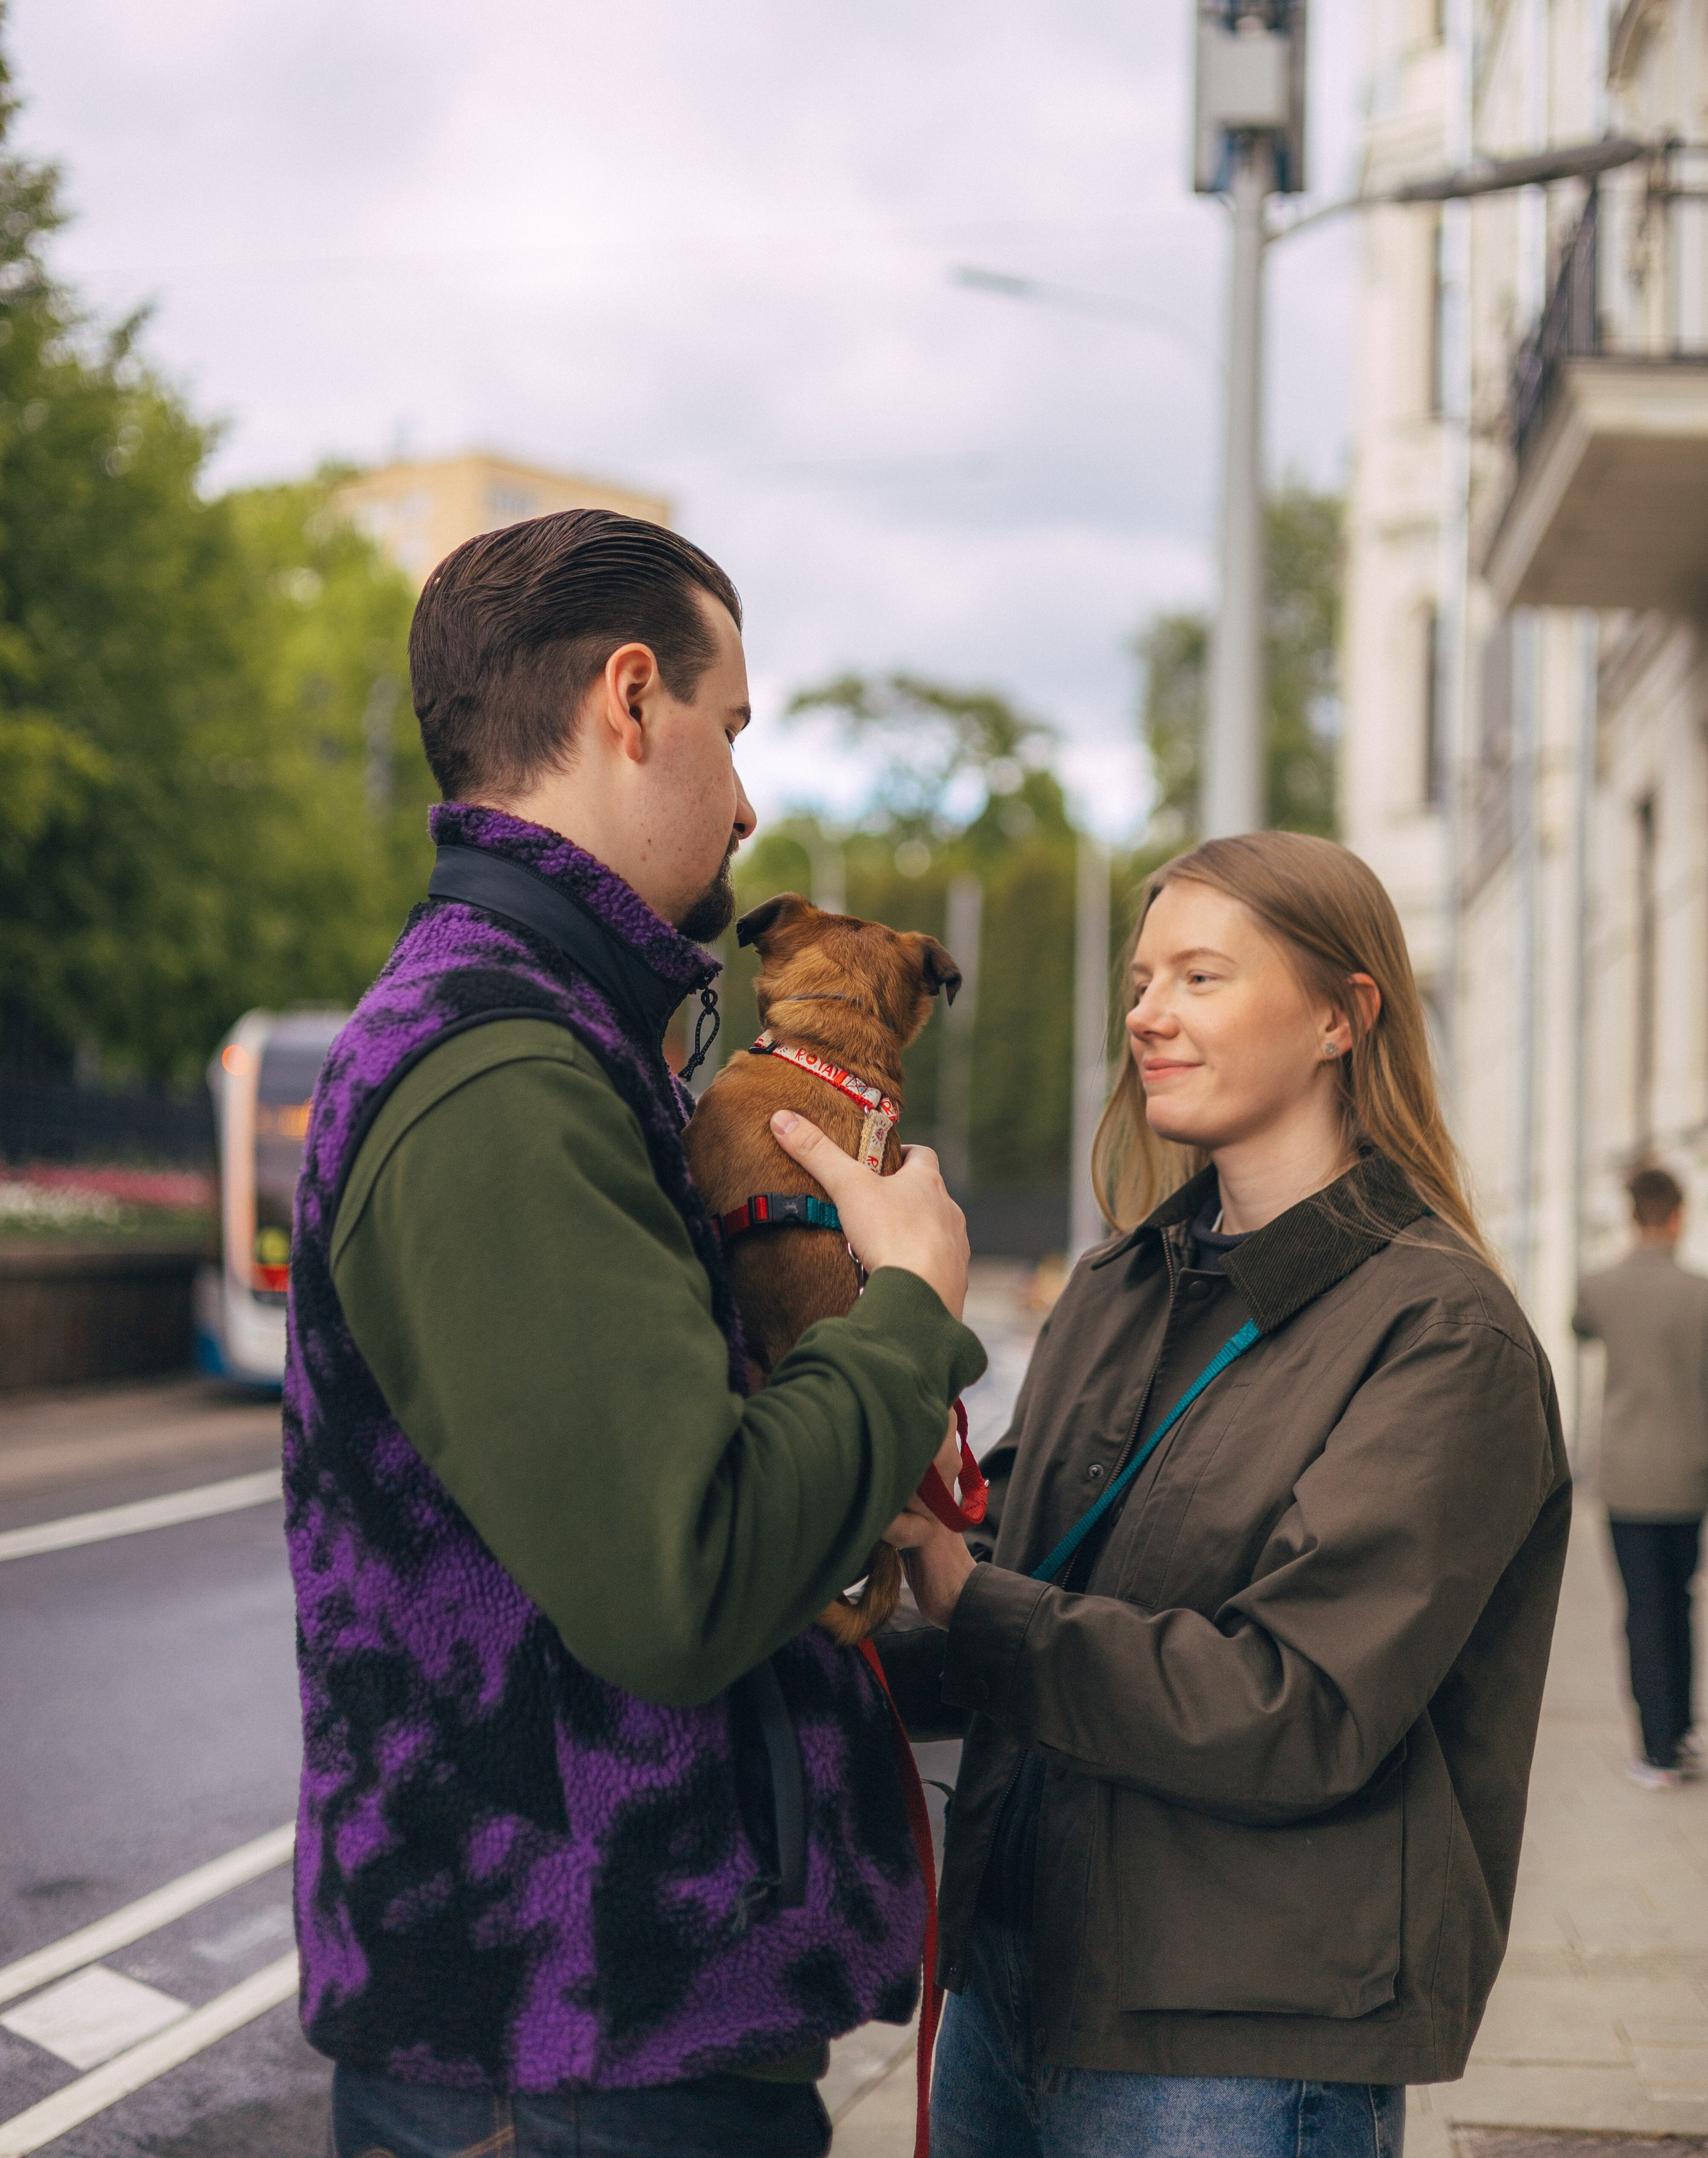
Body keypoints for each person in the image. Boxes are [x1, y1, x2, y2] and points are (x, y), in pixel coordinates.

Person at [284, 508, 983, 2158]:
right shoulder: (500, 1069)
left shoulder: (559, 1031)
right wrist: (906, 1306)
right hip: (570, 2050)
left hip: (593, 2033)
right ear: (625, 700)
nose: (746, 800)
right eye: (729, 729)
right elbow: (686, 1573)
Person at [866, 831, 1571, 2158]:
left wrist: (969, 1598)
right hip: (1009, 1991)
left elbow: (1292, 1709)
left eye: (1197, 977)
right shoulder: (1117, 1285)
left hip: (1239, 2045)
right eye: (1140, 981)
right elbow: (992, 1569)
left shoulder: (1439, 1336)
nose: (1145, 1015)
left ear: (1337, 1017)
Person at [1574, 1162, 1708, 1788]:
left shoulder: (1599, 1285)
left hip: (1628, 1478)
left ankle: (1654, 1750)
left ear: (1632, 1217)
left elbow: (1580, 1331)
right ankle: (1681, 1732)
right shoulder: (1700, 1294)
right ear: (1679, 1216)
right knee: (1679, 1604)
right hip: (1689, 1475)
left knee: (1642, 1611)